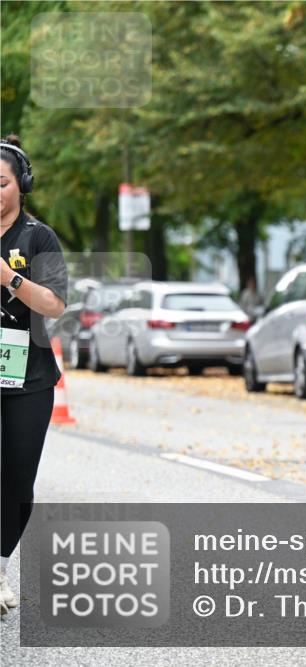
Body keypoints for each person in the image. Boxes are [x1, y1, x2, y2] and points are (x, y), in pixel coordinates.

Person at [0, 135, 68, 616]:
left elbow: (55, 305)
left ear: (21, 186)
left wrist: (9, 277)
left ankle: (1, 564)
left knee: (17, 483)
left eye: (0, 182)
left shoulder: (38, 238)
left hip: (29, 380)